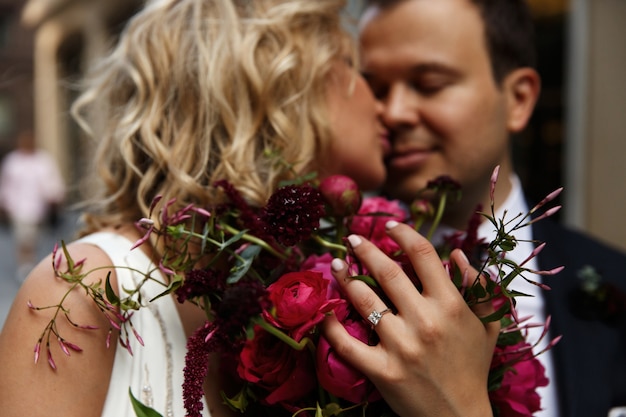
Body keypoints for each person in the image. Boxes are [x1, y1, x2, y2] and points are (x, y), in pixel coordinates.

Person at [0, 1, 498, 416]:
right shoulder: (81, 293)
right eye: (357, 69)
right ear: (286, 87)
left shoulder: (317, 279)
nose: (385, 106)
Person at [358, 0, 626, 416]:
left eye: (428, 84)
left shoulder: (613, 279)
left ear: (518, 99)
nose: (393, 113)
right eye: (374, 91)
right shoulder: (330, 278)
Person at [0, 129, 65, 281]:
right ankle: (25, 266)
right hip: (19, 208)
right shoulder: (13, 161)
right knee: (24, 237)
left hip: (39, 208)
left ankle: (32, 261)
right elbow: (7, 184)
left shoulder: (43, 160)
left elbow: (51, 181)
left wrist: (55, 196)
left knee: (35, 237)